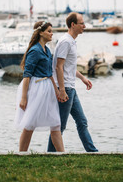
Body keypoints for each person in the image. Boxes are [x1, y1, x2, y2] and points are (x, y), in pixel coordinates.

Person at [47, 12, 98, 152]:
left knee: (82, 122)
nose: (84, 26)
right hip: (65, 89)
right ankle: (51, 154)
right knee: (59, 127)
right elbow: (58, 66)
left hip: (71, 88)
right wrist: (62, 90)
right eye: (81, 23)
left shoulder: (71, 41)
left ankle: (93, 152)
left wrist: (82, 78)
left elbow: (68, 67)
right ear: (73, 25)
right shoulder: (66, 42)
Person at [14, 21, 64, 152]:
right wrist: (24, 98)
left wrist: (57, 90)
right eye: (49, 31)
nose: (51, 33)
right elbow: (27, 75)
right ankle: (21, 153)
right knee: (30, 124)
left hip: (48, 89)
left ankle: (62, 154)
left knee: (55, 122)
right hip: (36, 89)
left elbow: (50, 73)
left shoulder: (47, 50)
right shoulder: (35, 50)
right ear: (41, 33)